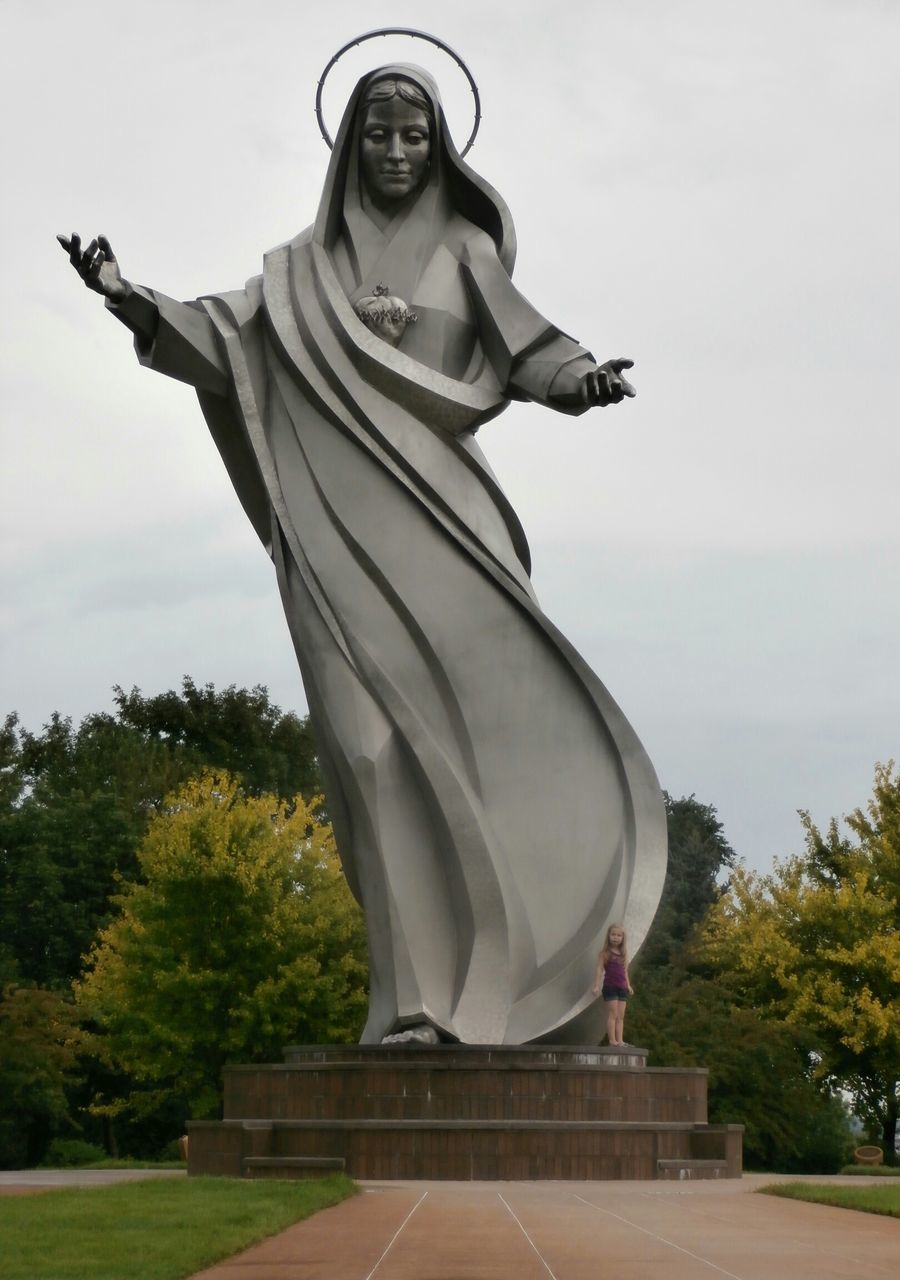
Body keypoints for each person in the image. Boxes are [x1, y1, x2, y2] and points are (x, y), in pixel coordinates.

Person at [58, 63, 667, 1047]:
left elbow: (530, 349)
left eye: (413, 137)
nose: (394, 152)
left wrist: (583, 380)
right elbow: (224, 346)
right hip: (339, 543)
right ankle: (416, 1002)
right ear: (351, 143)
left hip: (447, 527)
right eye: (378, 135)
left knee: (485, 751)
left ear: (440, 148)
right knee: (370, 753)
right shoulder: (301, 271)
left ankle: (518, 980)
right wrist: (129, 298)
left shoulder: (466, 251)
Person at [592, 923, 634, 1047]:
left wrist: (628, 985)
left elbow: (625, 970)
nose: (616, 937)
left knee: (621, 1016)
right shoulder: (605, 953)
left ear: (622, 938)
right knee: (613, 1014)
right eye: (613, 934)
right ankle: (612, 1040)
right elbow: (599, 969)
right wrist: (596, 985)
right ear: (609, 936)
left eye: (619, 935)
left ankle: (620, 1040)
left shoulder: (623, 953)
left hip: (622, 987)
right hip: (610, 987)